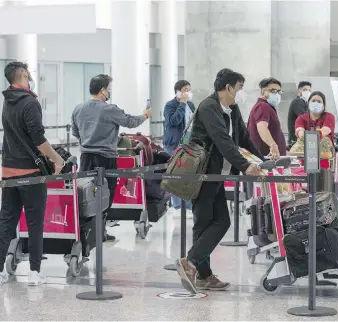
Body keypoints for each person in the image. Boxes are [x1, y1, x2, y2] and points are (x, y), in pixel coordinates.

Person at [176, 68, 265, 294]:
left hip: (218, 174)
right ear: (228, 87)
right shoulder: (209, 107)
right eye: (239, 87)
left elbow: (243, 138)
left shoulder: (232, 109)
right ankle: (196, 268)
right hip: (202, 174)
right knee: (204, 222)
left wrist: (261, 162)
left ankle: (197, 269)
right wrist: (246, 166)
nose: (240, 93)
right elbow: (223, 140)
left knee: (220, 221)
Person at [0, 61, 65, 286]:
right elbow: (38, 139)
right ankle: (35, 272)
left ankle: (0, 271)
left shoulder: (7, 101)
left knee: (6, 223)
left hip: (8, 171)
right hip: (31, 172)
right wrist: (57, 159)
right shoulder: (29, 102)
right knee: (35, 222)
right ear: (25, 74)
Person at [72, 74, 151, 241]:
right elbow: (130, 122)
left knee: (85, 194)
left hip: (86, 157)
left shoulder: (78, 108)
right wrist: (144, 115)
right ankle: (100, 233)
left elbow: (74, 132)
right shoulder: (109, 109)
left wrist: (86, 141)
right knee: (104, 195)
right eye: (109, 88)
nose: (110, 92)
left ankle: (85, 234)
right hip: (105, 158)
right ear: (102, 90)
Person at [163, 80, 195, 214]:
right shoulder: (170, 105)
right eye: (185, 89)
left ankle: (188, 206)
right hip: (174, 144)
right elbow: (174, 120)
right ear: (178, 91)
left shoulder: (191, 105)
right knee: (175, 175)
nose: (188, 92)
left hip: (189, 144)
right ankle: (177, 207)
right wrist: (181, 103)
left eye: (189, 89)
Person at [247, 77, 286, 159]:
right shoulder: (263, 106)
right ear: (264, 92)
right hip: (266, 159)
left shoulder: (267, 107)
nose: (277, 94)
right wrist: (273, 145)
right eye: (273, 91)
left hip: (271, 158)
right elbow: (262, 127)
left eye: (279, 91)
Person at [287, 81, 312, 145]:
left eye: (309, 90)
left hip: (300, 138)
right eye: (305, 90)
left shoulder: (305, 102)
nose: (308, 92)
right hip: (295, 139)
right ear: (299, 90)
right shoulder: (297, 101)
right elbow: (305, 118)